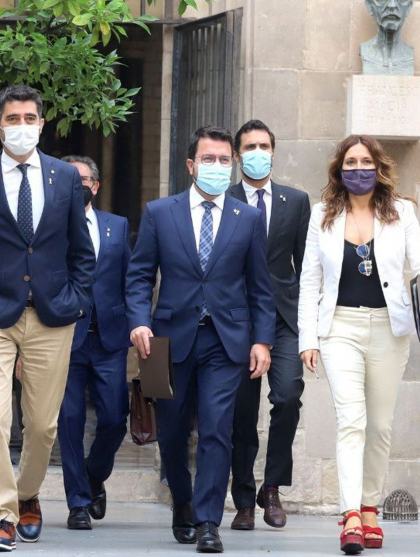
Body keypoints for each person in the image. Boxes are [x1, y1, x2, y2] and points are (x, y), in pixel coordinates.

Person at [0, 85, 95, 552]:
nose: (21, 126)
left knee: (43, 426)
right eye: (12, 118)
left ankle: (27, 493)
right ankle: (3, 516)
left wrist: (77, 300)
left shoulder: (65, 178)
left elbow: (81, 251)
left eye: (29, 118)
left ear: (41, 124)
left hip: (52, 315)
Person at [297, 135, 420, 554]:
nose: (359, 169)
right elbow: (310, 281)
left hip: (388, 329)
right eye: (351, 162)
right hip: (339, 328)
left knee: (379, 426)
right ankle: (350, 514)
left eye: (366, 161)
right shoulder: (322, 215)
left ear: (378, 167)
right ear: (339, 169)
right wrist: (308, 338)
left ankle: (369, 508)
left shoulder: (401, 212)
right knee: (351, 421)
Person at [126, 125, 275, 554]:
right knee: (172, 434)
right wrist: (139, 321)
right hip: (168, 342)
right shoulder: (160, 212)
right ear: (191, 165)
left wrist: (262, 340)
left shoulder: (248, 218)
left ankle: (209, 521)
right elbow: (139, 275)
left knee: (216, 429)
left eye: (225, 160)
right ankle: (183, 503)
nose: (217, 166)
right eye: (209, 159)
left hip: (226, 342)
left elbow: (260, 287)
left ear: (234, 165)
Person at [226, 120, 311, 531]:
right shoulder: (224, 199)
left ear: (273, 151)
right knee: (241, 413)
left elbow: (307, 266)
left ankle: (272, 486)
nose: (258, 153)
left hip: (284, 318)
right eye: (250, 147)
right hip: (239, 320)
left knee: (288, 397)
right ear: (237, 155)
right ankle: (244, 498)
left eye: (264, 146)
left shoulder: (296, 201)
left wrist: (310, 326)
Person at [56, 155, 131, 531]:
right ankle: (78, 503)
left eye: (82, 180)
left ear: (95, 186)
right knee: (69, 421)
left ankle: (93, 475)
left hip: (109, 337)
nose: (76, 186)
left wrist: (139, 325)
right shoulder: (49, 226)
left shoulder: (117, 226)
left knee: (115, 418)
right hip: (63, 337)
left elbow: (130, 279)